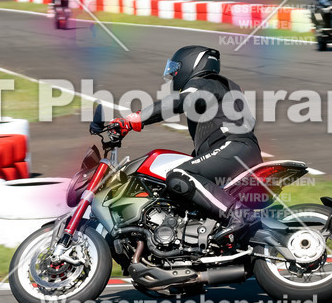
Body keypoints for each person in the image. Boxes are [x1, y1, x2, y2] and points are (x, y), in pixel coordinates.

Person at [108, 46, 263, 247]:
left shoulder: (205, 83)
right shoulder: (221, 87)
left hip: (234, 148)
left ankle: (239, 215)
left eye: (176, 69)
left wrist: (135, 119)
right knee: (180, 187)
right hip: (237, 150)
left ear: (191, 64)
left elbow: (179, 101)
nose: (173, 75)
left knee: (179, 175)